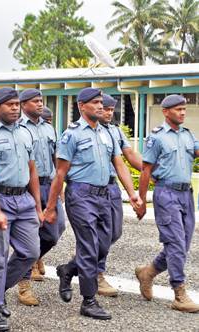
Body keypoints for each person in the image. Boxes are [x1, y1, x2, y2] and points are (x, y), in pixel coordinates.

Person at [44, 87, 142, 320]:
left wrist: (132, 193)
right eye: (95, 103)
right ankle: (89, 300)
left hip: (104, 196)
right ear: (82, 106)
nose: (101, 106)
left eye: (101, 102)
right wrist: (50, 207)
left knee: (104, 244)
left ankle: (68, 269)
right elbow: (60, 173)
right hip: (81, 195)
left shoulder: (108, 133)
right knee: (89, 246)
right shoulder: (72, 135)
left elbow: (119, 164)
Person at [0, 87, 43, 331]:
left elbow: (32, 170)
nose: (15, 107)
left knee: (31, 252)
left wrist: (38, 205)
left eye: (16, 104)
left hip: (23, 201)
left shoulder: (25, 133)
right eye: (9, 104)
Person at [135, 94, 199, 313]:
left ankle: (148, 272)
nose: (182, 112)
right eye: (178, 109)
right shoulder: (157, 138)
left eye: (184, 109)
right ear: (166, 111)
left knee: (181, 245)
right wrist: (141, 200)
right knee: (176, 245)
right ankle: (179, 293)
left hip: (186, 196)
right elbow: (145, 170)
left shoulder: (188, 136)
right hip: (166, 194)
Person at [18, 88, 65, 306]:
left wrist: (60, 186)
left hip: (50, 185)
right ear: (23, 104)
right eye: (35, 101)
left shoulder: (48, 129)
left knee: (55, 232)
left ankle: (33, 258)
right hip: (27, 188)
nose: (39, 104)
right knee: (30, 235)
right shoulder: (18, 129)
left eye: (41, 100)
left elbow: (55, 158)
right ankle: (24, 282)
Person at [97, 94, 142, 296]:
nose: (109, 112)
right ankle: (97, 274)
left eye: (111, 109)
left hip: (111, 187)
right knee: (101, 234)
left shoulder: (115, 131)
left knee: (114, 232)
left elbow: (129, 156)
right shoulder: (81, 132)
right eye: (105, 108)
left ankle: (74, 266)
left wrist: (152, 173)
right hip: (89, 190)